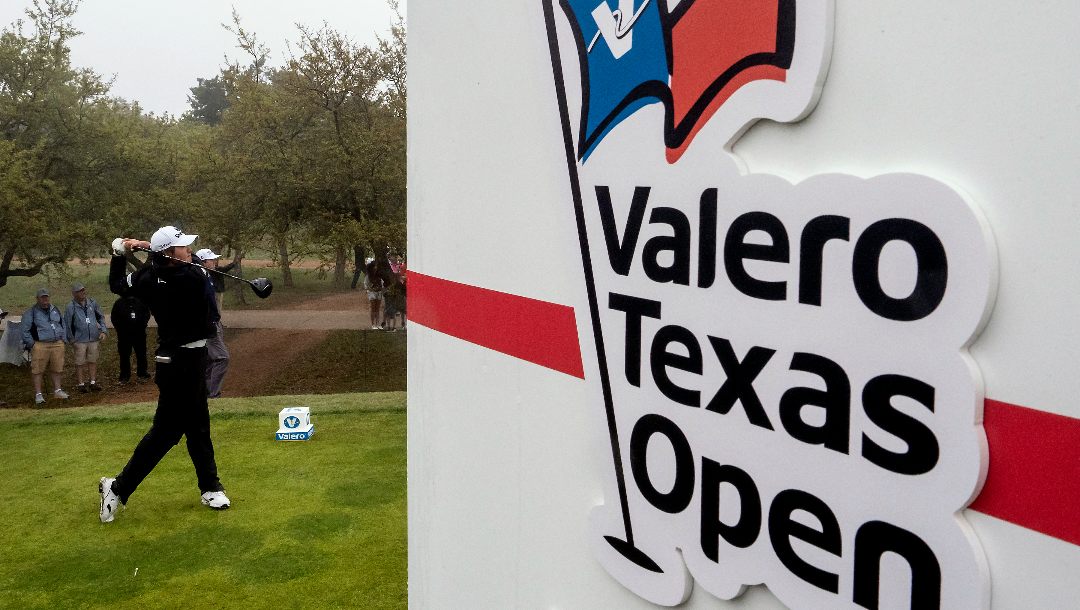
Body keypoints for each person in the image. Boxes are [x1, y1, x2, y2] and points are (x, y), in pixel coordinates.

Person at [98, 226, 231, 524]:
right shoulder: (192, 276)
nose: (189, 250)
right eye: (182, 247)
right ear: (171, 255)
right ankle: (117, 487)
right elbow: (205, 293)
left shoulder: (148, 277)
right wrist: (149, 249)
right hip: (178, 362)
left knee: (198, 426)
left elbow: (118, 284)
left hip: (189, 359)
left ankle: (210, 486)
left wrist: (120, 253)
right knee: (168, 432)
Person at [21, 288, 70, 405]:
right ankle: (38, 394)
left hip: (57, 343)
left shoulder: (55, 309)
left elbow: (62, 324)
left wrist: (63, 338)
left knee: (57, 367)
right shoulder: (31, 312)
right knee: (38, 369)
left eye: (46, 297)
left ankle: (57, 390)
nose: (45, 300)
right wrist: (32, 344)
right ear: (37, 299)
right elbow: (24, 330)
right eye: (42, 298)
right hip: (40, 344)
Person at [195, 248, 230, 398]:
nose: (214, 262)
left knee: (210, 359)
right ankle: (213, 393)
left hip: (215, 322)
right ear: (203, 262)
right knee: (222, 358)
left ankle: (206, 391)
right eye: (211, 260)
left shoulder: (209, 276)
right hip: (208, 324)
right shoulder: (199, 279)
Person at [64, 282, 108, 392]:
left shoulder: (92, 303)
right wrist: (71, 339)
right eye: (79, 291)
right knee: (80, 362)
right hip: (79, 340)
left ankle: (93, 382)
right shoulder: (71, 307)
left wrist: (103, 331)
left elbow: (100, 317)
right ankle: (81, 384)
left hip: (93, 338)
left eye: (83, 290)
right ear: (74, 294)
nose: (82, 292)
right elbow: (67, 324)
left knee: (92, 360)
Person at [111, 295, 151, 385]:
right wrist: (120, 330)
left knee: (141, 354)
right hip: (124, 336)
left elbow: (147, 314)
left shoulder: (141, 301)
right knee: (124, 355)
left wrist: (142, 325)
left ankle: (142, 373)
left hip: (139, 334)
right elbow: (114, 318)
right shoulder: (118, 303)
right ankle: (125, 375)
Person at [364, 256, 386, 329]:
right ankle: (373, 324)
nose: (375, 268)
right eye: (374, 267)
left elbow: (382, 284)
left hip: (379, 293)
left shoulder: (379, 276)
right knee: (373, 308)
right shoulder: (368, 276)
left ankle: (378, 323)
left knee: (377, 308)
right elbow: (366, 285)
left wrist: (381, 289)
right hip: (372, 293)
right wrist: (371, 289)